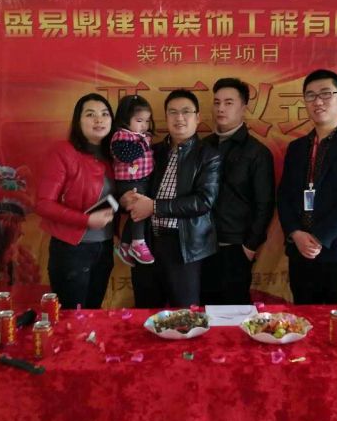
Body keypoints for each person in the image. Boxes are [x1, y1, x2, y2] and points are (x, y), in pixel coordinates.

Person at [277, 69, 337, 305]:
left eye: (325, 94)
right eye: (310, 95)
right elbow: (284, 197)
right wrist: (296, 234)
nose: (318, 101)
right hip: (300, 253)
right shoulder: (297, 148)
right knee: (303, 321)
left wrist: (319, 237)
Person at [123, 89, 221, 307]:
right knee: (146, 312)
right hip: (147, 243)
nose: (179, 118)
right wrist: (125, 199)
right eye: (173, 112)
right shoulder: (151, 151)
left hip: (184, 248)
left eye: (186, 112)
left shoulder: (208, 155)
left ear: (197, 117)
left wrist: (154, 207)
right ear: (166, 117)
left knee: (185, 315)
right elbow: (132, 183)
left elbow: (203, 201)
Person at [36, 93, 116, 310]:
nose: (99, 120)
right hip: (72, 251)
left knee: (93, 314)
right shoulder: (64, 151)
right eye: (90, 114)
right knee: (71, 318)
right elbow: (43, 203)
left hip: (105, 247)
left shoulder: (113, 156)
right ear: (78, 121)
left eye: (104, 114)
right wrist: (85, 220)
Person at [200, 78, 275, 305]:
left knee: (233, 313)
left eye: (229, 102)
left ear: (243, 107)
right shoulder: (202, 146)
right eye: (217, 102)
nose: (221, 108)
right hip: (199, 245)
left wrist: (250, 246)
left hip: (234, 248)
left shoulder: (257, 152)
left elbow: (265, 204)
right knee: (202, 313)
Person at [110, 95, 155, 266]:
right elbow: (126, 155)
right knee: (140, 209)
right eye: (139, 120)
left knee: (139, 212)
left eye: (147, 121)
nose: (144, 125)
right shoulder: (121, 135)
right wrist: (144, 143)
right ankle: (138, 242)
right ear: (125, 119)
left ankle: (125, 245)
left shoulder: (141, 135)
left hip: (142, 180)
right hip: (128, 182)